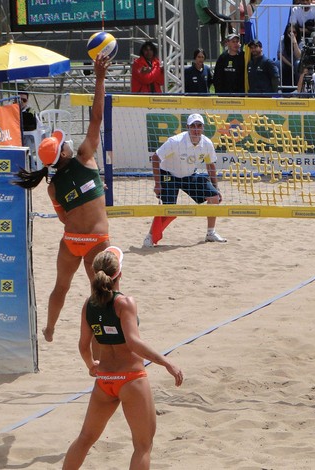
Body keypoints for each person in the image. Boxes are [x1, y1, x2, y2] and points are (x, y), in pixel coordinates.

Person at [12, 55, 112, 342]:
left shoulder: (52, 185)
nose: (66, 141)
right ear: (64, 154)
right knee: (102, 293)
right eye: (62, 143)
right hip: (95, 240)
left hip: (71, 241)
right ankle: (99, 341)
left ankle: (50, 328)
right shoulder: (85, 157)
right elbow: (97, 116)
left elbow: (64, 218)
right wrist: (100, 77)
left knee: (61, 287)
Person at [61, 246, 183, 470]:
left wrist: (91, 366)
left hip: (104, 381)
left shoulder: (88, 305)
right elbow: (133, 343)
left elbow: (82, 345)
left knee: (85, 439)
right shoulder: (124, 303)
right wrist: (166, 362)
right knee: (143, 446)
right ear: (119, 274)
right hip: (131, 379)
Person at [142, 113, 227, 247]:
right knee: (168, 210)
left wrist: (216, 187)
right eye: (193, 126)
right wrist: (157, 184)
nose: (196, 129)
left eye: (199, 126)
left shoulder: (207, 143)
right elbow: (155, 158)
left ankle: (210, 233)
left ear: (203, 128)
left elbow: (210, 165)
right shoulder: (175, 141)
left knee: (214, 197)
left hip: (189, 175)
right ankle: (150, 236)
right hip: (169, 175)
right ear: (187, 127)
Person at [278, 24, 303, 90]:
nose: (292, 34)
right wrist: (291, 65)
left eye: (294, 32)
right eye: (289, 32)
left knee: (298, 64)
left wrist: (294, 42)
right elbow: (280, 55)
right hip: (286, 63)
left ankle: (298, 89)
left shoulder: (301, 41)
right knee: (277, 64)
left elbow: (299, 56)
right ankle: (279, 89)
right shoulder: (283, 39)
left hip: (296, 64)